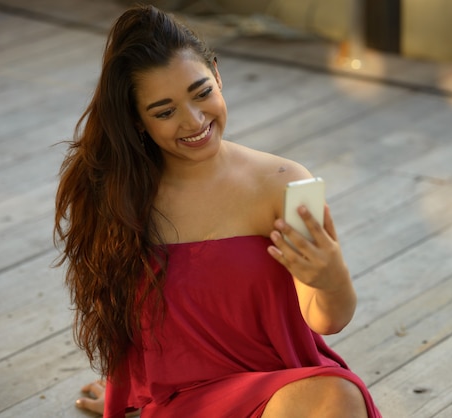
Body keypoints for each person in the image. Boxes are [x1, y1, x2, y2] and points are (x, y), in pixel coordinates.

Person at [54, 4, 382, 418]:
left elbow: (326, 320)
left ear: (217, 74)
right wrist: (131, 393)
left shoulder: (286, 183)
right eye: (165, 111)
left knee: (337, 396)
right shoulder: (121, 197)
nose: (193, 121)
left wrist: (332, 280)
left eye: (202, 92)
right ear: (138, 121)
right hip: (184, 404)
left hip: (286, 396)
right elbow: (134, 322)